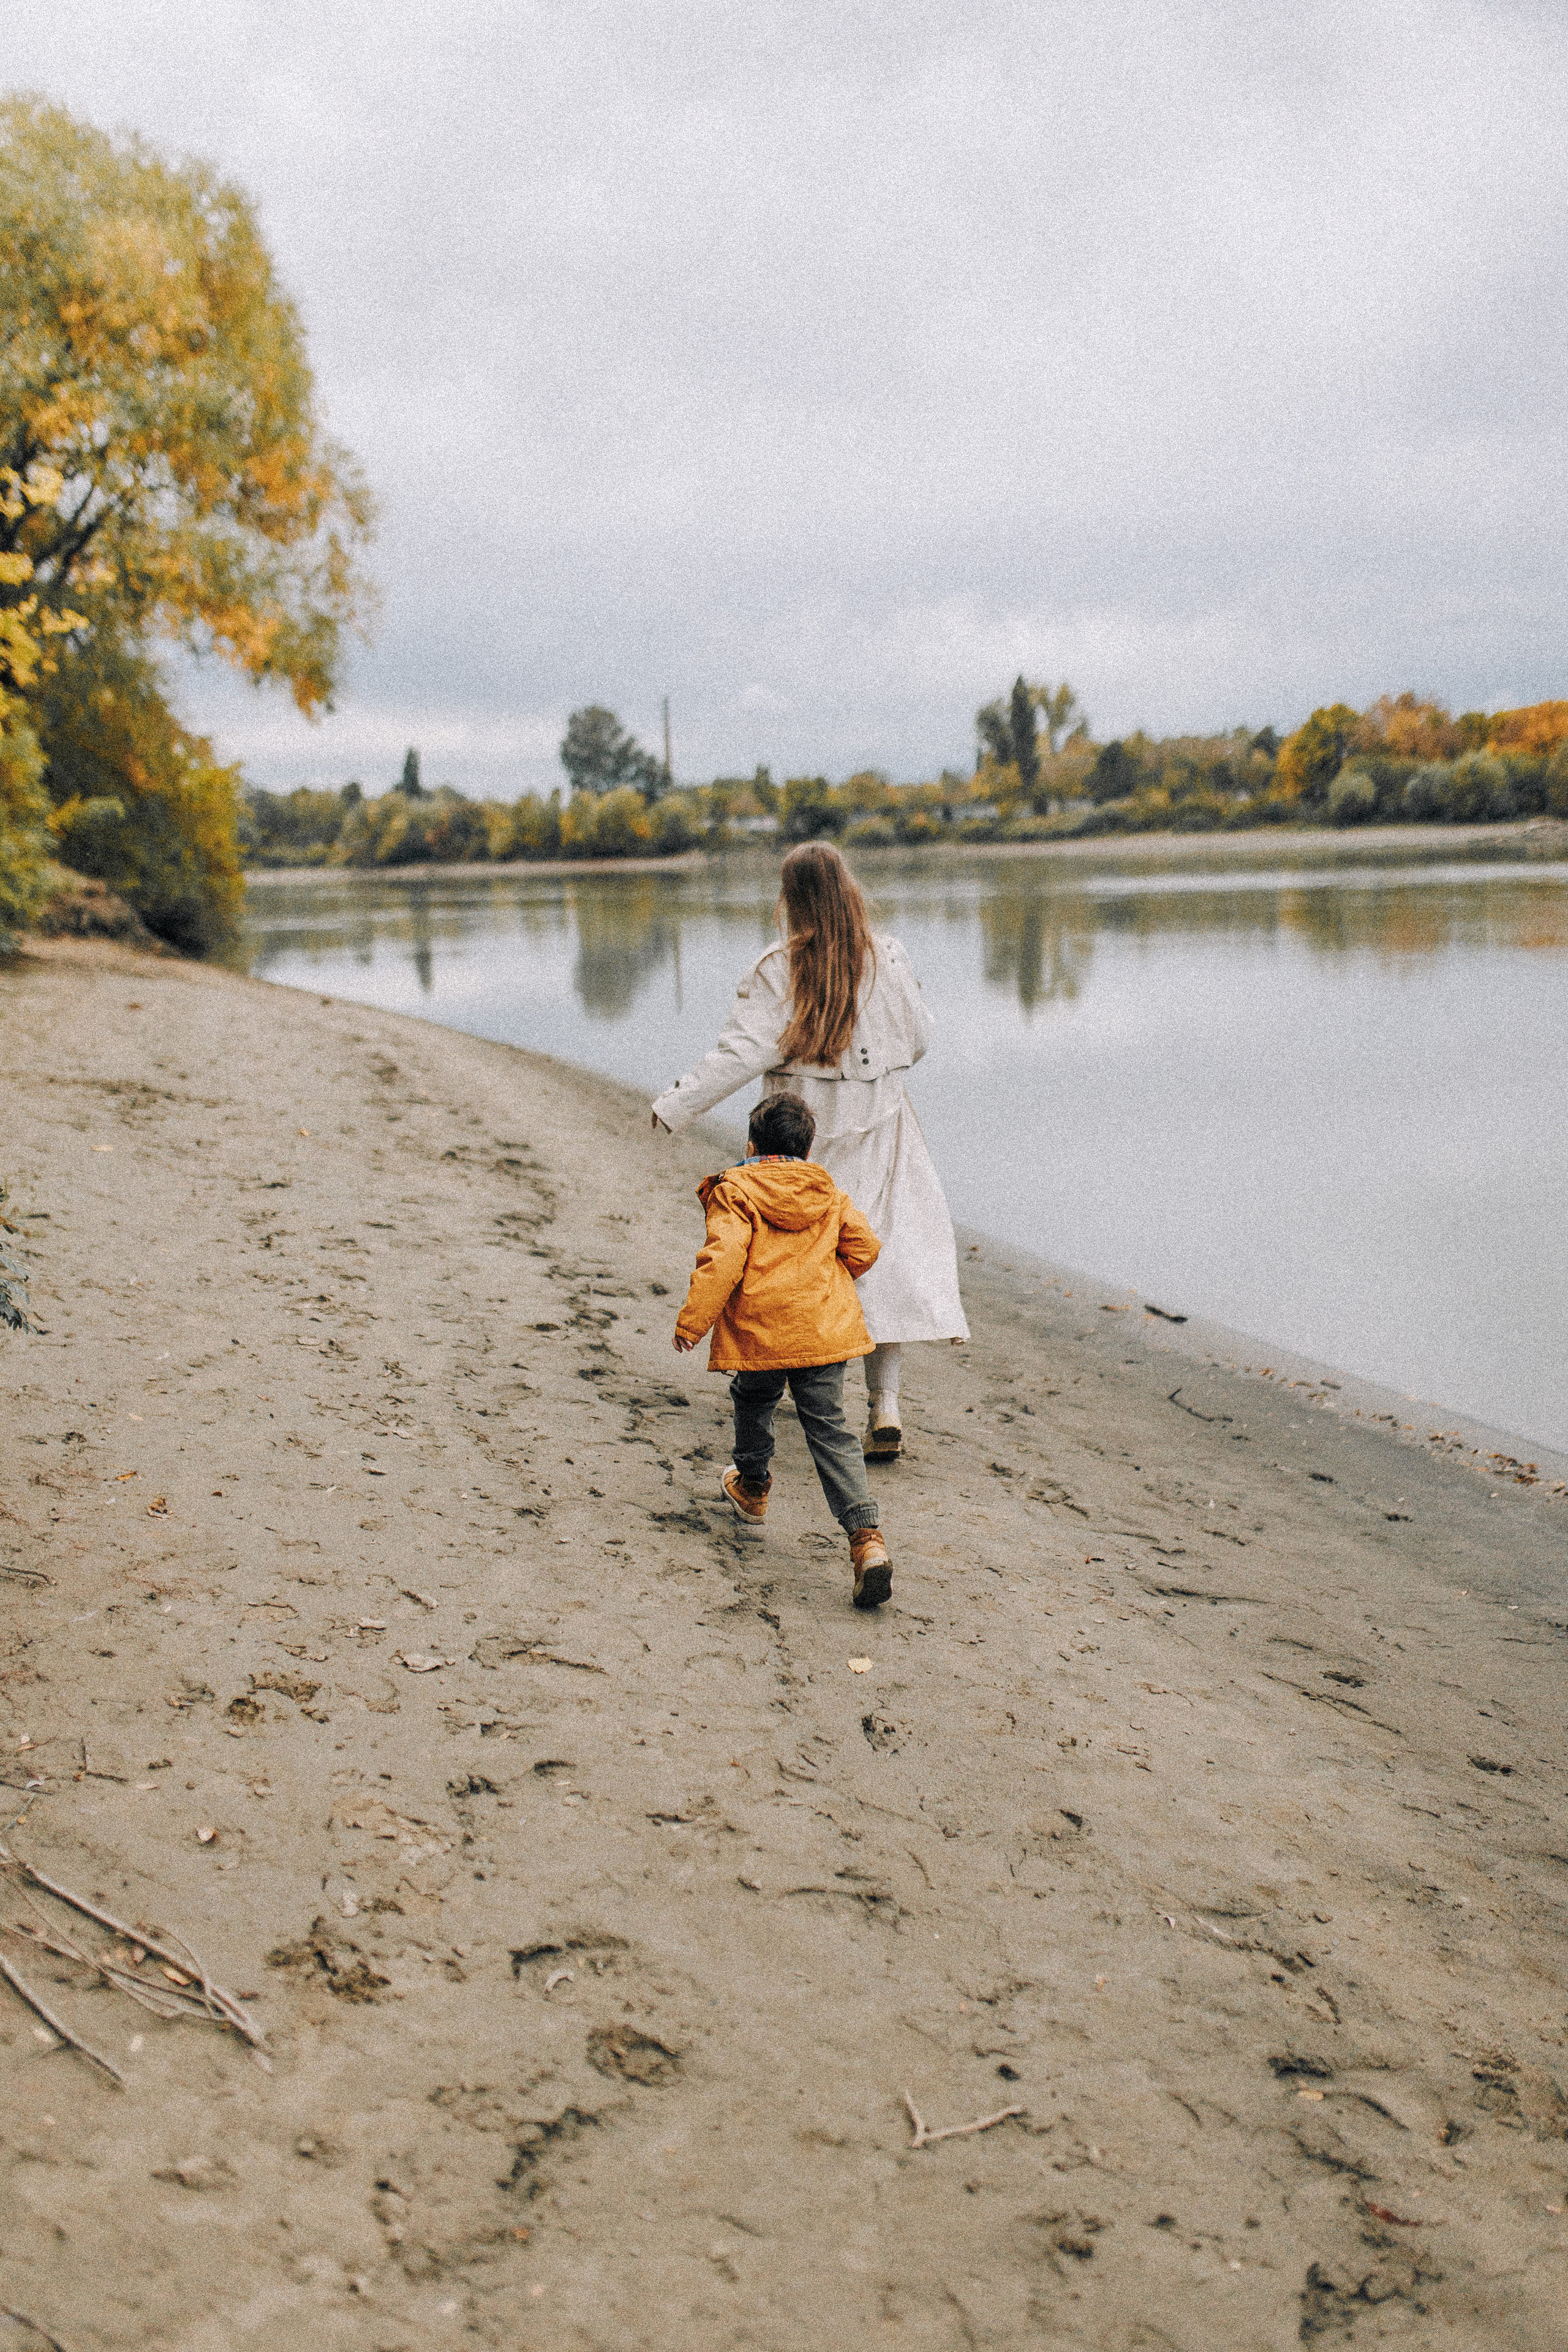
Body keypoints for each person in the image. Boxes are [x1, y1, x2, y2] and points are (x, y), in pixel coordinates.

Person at [650, 839, 968, 1460]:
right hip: (882, 1123)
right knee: (878, 1253)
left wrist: (677, 1104)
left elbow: (742, 1052)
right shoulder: (889, 957)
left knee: (800, 1257)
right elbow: (920, 1038)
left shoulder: (779, 967)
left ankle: (806, 1385)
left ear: (791, 898)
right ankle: (885, 1405)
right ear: (849, 889)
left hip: (802, 1130)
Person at [671, 1092, 894, 1611]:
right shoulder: (828, 1192)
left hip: (763, 1329)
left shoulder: (736, 1189)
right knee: (831, 1431)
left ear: (751, 1145)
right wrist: (824, 1283)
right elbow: (864, 1248)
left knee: (753, 1400)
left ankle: (753, 1486)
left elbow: (724, 1258)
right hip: (823, 1331)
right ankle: (866, 1539)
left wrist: (694, 1321)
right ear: (808, 1149)